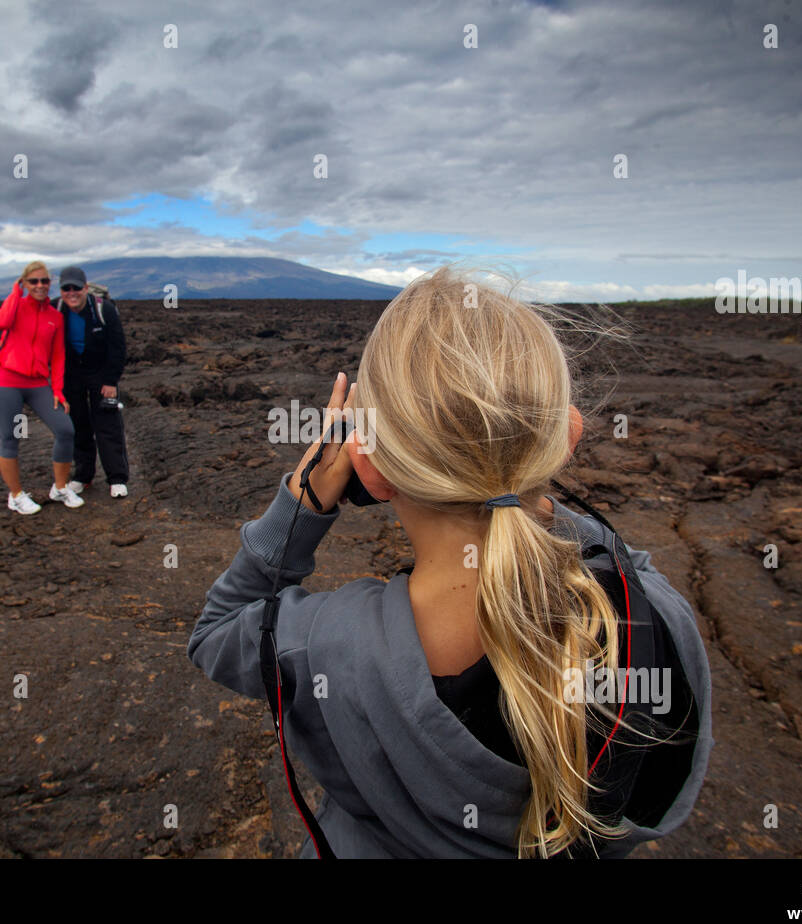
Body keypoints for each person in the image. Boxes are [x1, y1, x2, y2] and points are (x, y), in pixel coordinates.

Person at [189, 268, 713, 858]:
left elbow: (218, 630)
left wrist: (304, 501)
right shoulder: (655, 612)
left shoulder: (323, 645)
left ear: (370, 468)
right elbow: (618, 557)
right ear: (567, 439)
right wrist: (517, 473)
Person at [0, 260, 83, 514]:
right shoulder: (16, 306)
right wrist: (15, 292)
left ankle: (60, 488)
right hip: (7, 382)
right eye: (33, 281)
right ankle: (16, 495)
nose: (40, 286)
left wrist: (58, 390)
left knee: (65, 430)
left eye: (44, 281)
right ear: (24, 283)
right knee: (12, 438)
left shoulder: (55, 317)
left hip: (39, 384)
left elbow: (58, 356)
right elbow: (1, 322)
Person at [53, 266, 130, 497]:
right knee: (77, 424)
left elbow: (118, 347)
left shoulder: (103, 309)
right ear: (61, 290)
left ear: (85, 288)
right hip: (71, 374)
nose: (71, 292)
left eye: (76, 287)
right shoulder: (55, 308)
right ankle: (82, 476)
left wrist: (110, 380)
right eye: (66, 288)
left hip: (100, 373)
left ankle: (117, 478)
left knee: (107, 423)